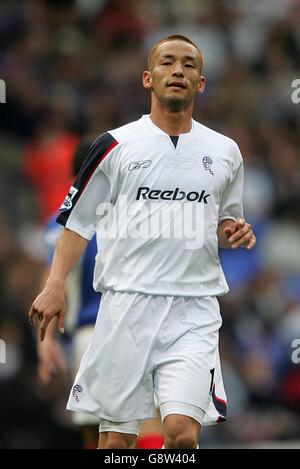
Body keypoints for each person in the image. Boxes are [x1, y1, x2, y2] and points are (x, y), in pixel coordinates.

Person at [29, 34, 256, 449]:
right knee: (117, 442)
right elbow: (77, 223)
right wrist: (54, 284)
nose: (178, 71)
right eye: (168, 63)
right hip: (126, 307)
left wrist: (233, 231)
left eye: (189, 65)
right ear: (148, 79)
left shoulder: (225, 152)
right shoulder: (114, 145)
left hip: (194, 309)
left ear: (200, 83)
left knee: (182, 436)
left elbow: (226, 220)